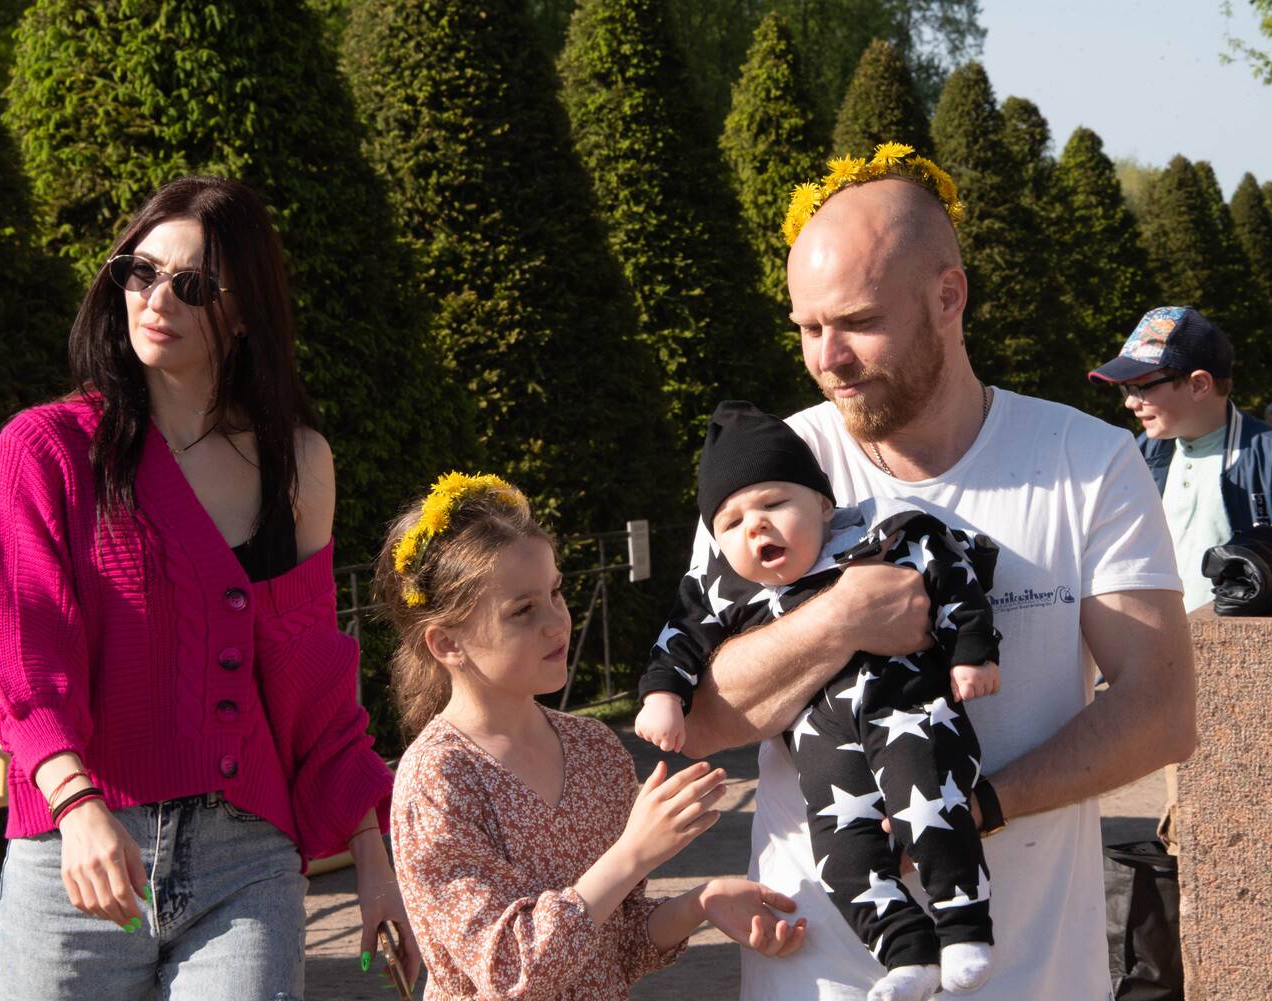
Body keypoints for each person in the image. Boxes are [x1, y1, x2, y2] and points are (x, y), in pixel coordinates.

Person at [665, 144, 1195, 1001]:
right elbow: (702, 719)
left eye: (857, 322)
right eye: (807, 328)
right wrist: (837, 620)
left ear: (949, 297)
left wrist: (970, 807)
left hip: (1035, 976)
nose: (828, 358)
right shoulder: (759, 475)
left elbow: (1159, 711)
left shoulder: (1086, 462)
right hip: (819, 973)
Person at [0, 176, 417, 998]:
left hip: (242, 862)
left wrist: (372, 855)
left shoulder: (297, 463)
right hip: (78, 851)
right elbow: (26, 659)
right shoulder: (45, 449)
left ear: (245, 312)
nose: (156, 299)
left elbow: (310, 682)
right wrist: (76, 806)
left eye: (194, 285)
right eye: (141, 272)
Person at [376, 473, 806, 1001]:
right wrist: (633, 854)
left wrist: (701, 903)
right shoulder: (438, 777)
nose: (557, 622)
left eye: (556, 592)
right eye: (523, 610)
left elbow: (616, 943)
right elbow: (509, 970)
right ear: (446, 643)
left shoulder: (594, 748)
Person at [637, 401, 1002, 999]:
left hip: (908, 712)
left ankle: (964, 929)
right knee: (841, 856)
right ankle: (906, 952)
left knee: (930, 809)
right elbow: (676, 641)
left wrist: (972, 652)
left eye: (774, 503)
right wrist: (663, 695)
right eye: (731, 522)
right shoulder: (723, 588)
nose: (755, 527)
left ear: (824, 506)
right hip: (823, 748)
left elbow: (954, 575)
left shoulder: (880, 537)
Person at [1089, 307, 1272, 614]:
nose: (1129, 402)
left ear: (1199, 385)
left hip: (1235, 639)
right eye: (1125, 389)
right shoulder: (1141, 454)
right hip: (1157, 637)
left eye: (1141, 387)